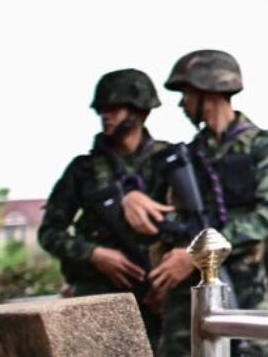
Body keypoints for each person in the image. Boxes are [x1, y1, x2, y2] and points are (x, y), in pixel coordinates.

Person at [132, 49, 268, 356]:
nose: (181, 103)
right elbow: (155, 205)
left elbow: (267, 217)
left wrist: (195, 255)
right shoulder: (186, 156)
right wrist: (133, 198)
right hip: (188, 294)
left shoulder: (263, 145)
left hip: (247, 287)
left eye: (186, 93)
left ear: (208, 92)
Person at [38, 68, 171, 346]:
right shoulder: (83, 170)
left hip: (161, 300)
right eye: (101, 110)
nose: (105, 116)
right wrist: (95, 254)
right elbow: (49, 232)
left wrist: (172, 282)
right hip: (97, 300)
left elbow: (197, 227)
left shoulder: (170, 162)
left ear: (139, 111)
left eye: (114, 108)